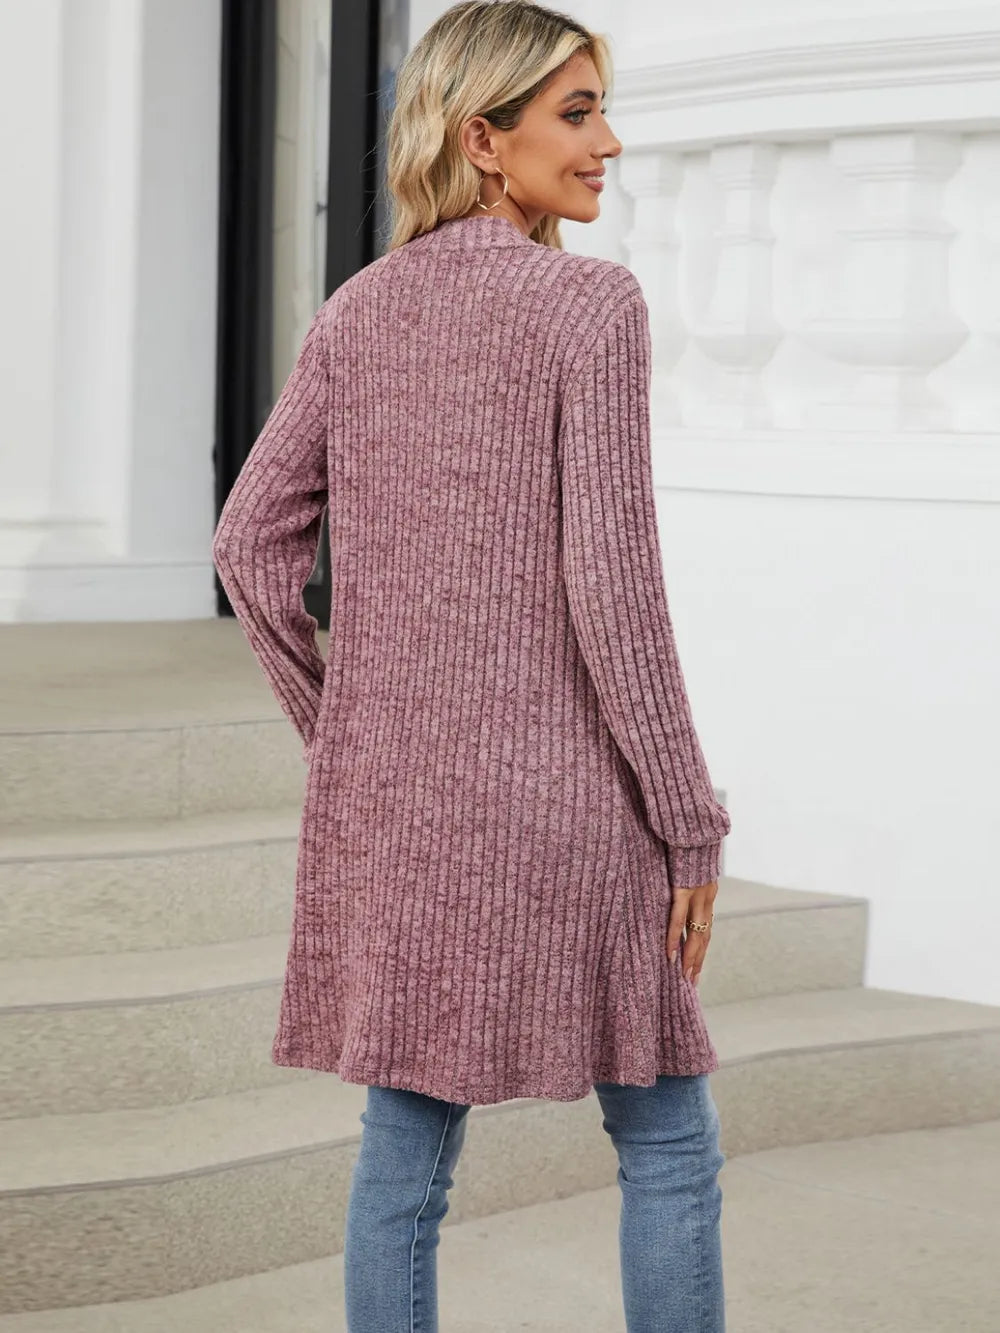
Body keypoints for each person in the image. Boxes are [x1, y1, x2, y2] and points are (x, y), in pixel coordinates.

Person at [211, 3, 732, 1329]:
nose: (608, 142)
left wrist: (349, 734)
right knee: (667, 1140)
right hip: (569, 804)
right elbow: (614, 589)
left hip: (408, 807)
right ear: (482, 138)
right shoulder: (588, 304)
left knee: (403, 1158)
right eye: (576, 112)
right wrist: (689, 821)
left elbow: (248, 548)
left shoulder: (357, 310)